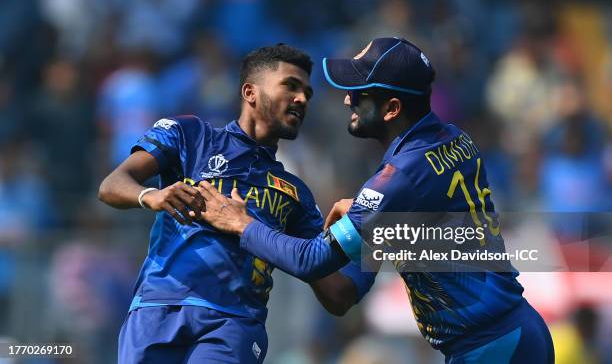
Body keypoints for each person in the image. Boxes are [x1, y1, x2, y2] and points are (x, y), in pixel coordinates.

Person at [196, 37, 555, 363]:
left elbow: (312, 261)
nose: (347, 98)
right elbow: (344, 292)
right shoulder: (451, 139)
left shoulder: (401, 177)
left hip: (493, 346)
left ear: (392, 108)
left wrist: (242, 224)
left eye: (360, 93)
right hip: (507, 336)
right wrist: (359, 219)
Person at [98, 44, 359, 364]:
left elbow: (338, 293)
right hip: (155, 308)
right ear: (250, 92)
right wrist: (153, 195)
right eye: (290, 86)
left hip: (232, 323)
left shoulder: (296, 193)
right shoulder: (190, 135)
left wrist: (365, 232)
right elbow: (112, 185)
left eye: (307, 92)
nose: (302, 99)